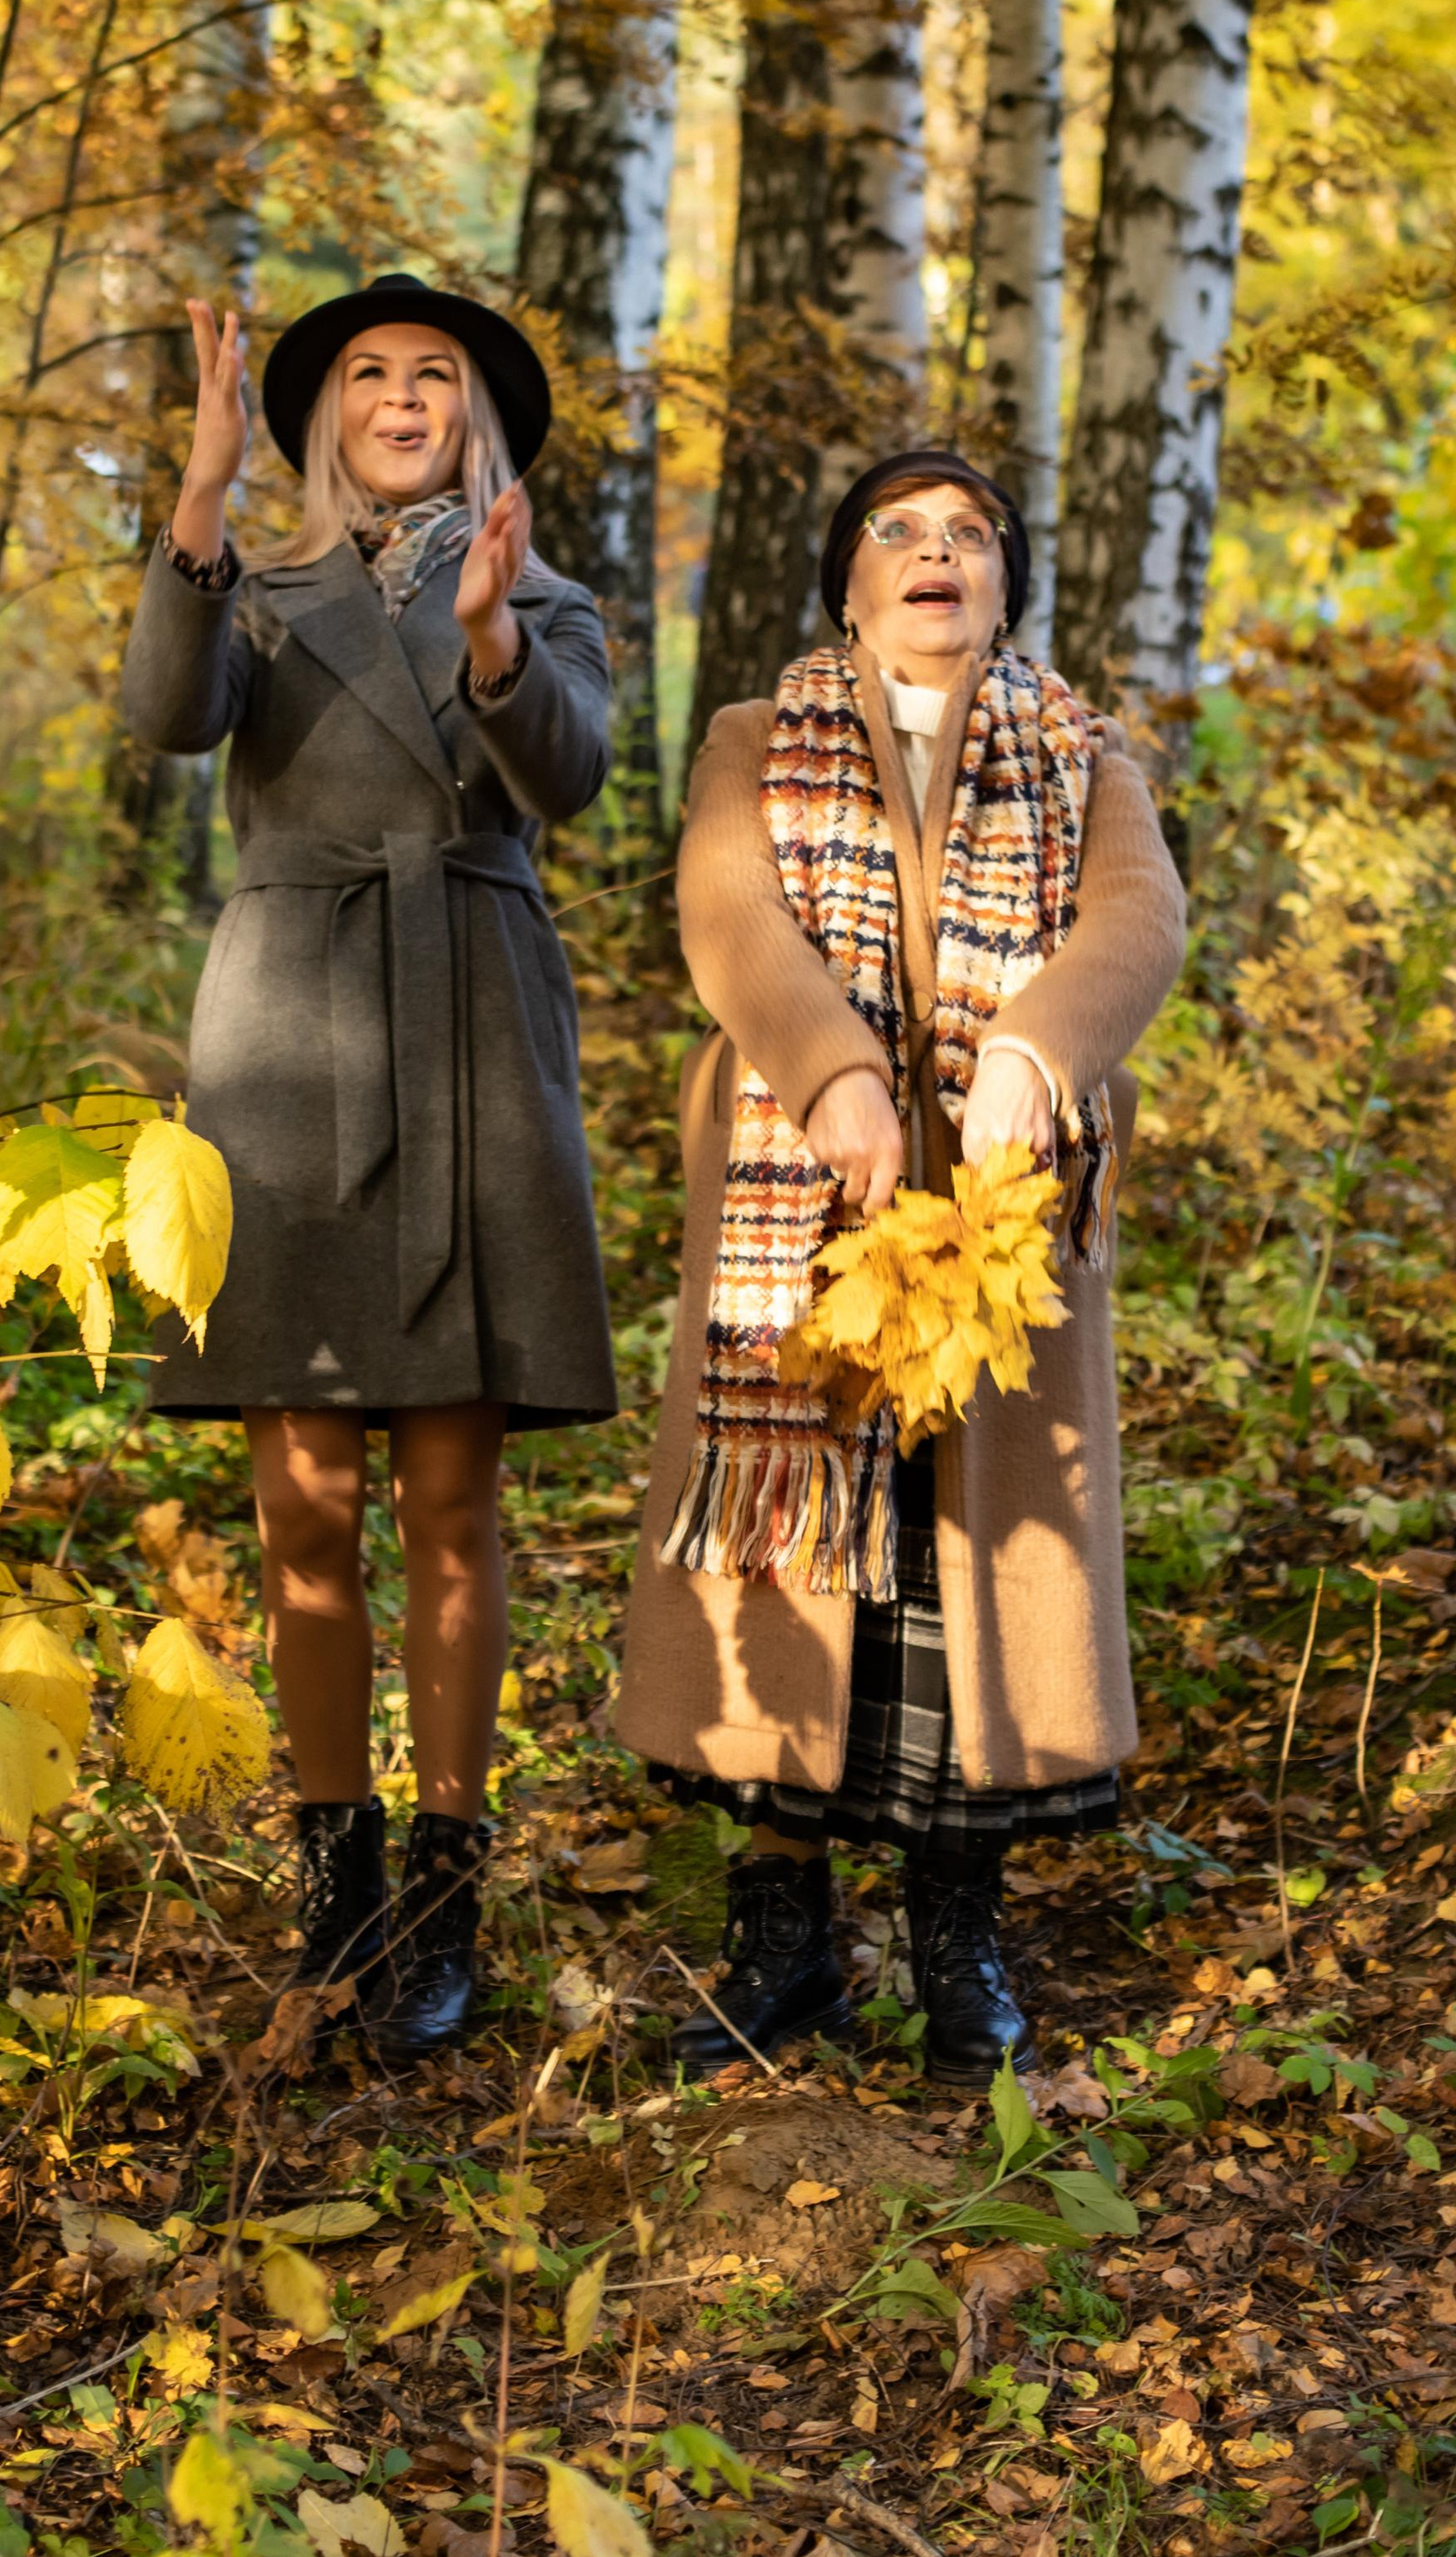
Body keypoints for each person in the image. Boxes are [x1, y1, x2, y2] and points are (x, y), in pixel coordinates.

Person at [613, 450, 1185, 2083]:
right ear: (848, 583)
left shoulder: (1081, 758)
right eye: (900, 534)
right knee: (796, 1552)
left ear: (1005, 586)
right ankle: (783, 1942)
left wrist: (1037, 1048)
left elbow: (1140, 928)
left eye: (969, 538)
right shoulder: (751, 740)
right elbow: (727, 912)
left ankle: (960, 1941)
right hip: (803, 1197)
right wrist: (834, 1068)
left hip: (1004, 1217)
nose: (937, 555)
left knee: (970, 1560)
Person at [121, 273, 616, 2062]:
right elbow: (170, 719)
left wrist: (487, 636)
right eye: (364, 376)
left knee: (451, 1503)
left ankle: (439, 1891)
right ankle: (330, 1887)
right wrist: (193, 494)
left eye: (432, 376)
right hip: (287, 1046)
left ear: (472, 421)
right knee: (303, 1503)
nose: (399, 394)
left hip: (473, 1031)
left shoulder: (549, 601)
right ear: (320, 417)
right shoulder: (253, 589)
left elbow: (565, 778)